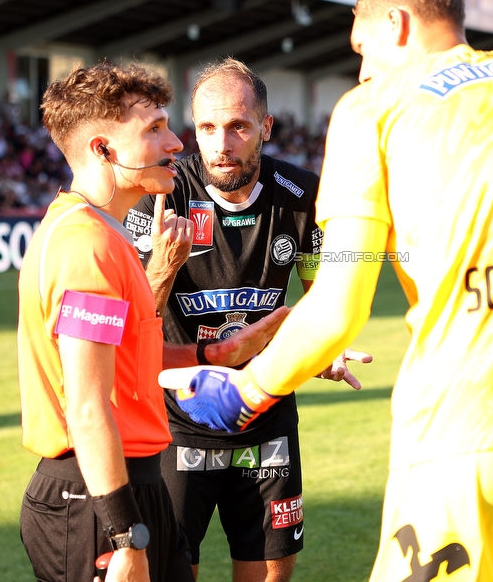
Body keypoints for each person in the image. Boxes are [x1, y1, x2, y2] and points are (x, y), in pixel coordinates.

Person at [174, 0, 493, 582]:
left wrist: (247, 391)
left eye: (362, 46)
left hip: (465, 411)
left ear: (398, 24)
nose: (362, 69)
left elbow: (338, 306)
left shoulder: (374, 107)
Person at [16, 62, 286, 582]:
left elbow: (126, 361)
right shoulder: (85, 245)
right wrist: (126, 537)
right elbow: (89, 407)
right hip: (95, 498)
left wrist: (215, 355)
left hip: (136, 485)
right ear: (103, 149)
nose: (176, 144)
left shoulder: (106, 235)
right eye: (154, 129)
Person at [125, 57, 368, 582]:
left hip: (267, 418)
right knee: (169, 571)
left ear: (266, 127)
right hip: (176, 422)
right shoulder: (161, 196)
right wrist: (163, 265)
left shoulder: (302, 196)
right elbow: (135, 324)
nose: (221, 143)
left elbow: (323, 291)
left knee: (270, 573)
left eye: (237, 126)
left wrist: (326, 344)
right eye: (207, 128)